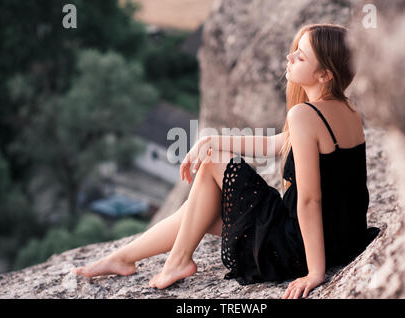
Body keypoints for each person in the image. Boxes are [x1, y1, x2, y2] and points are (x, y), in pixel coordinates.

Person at [72, 23, 379, 299]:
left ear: (325, 74)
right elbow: (276, 144)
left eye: (300, 56)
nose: (289, 58)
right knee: (200, 208)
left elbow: (310, 200)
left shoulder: (304, 114)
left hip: (301, 246)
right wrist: (213, 139)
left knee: (212, 168)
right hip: (342, 238)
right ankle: (126, 256)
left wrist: (315, 273)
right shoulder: (346, 110)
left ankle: (175, 261)